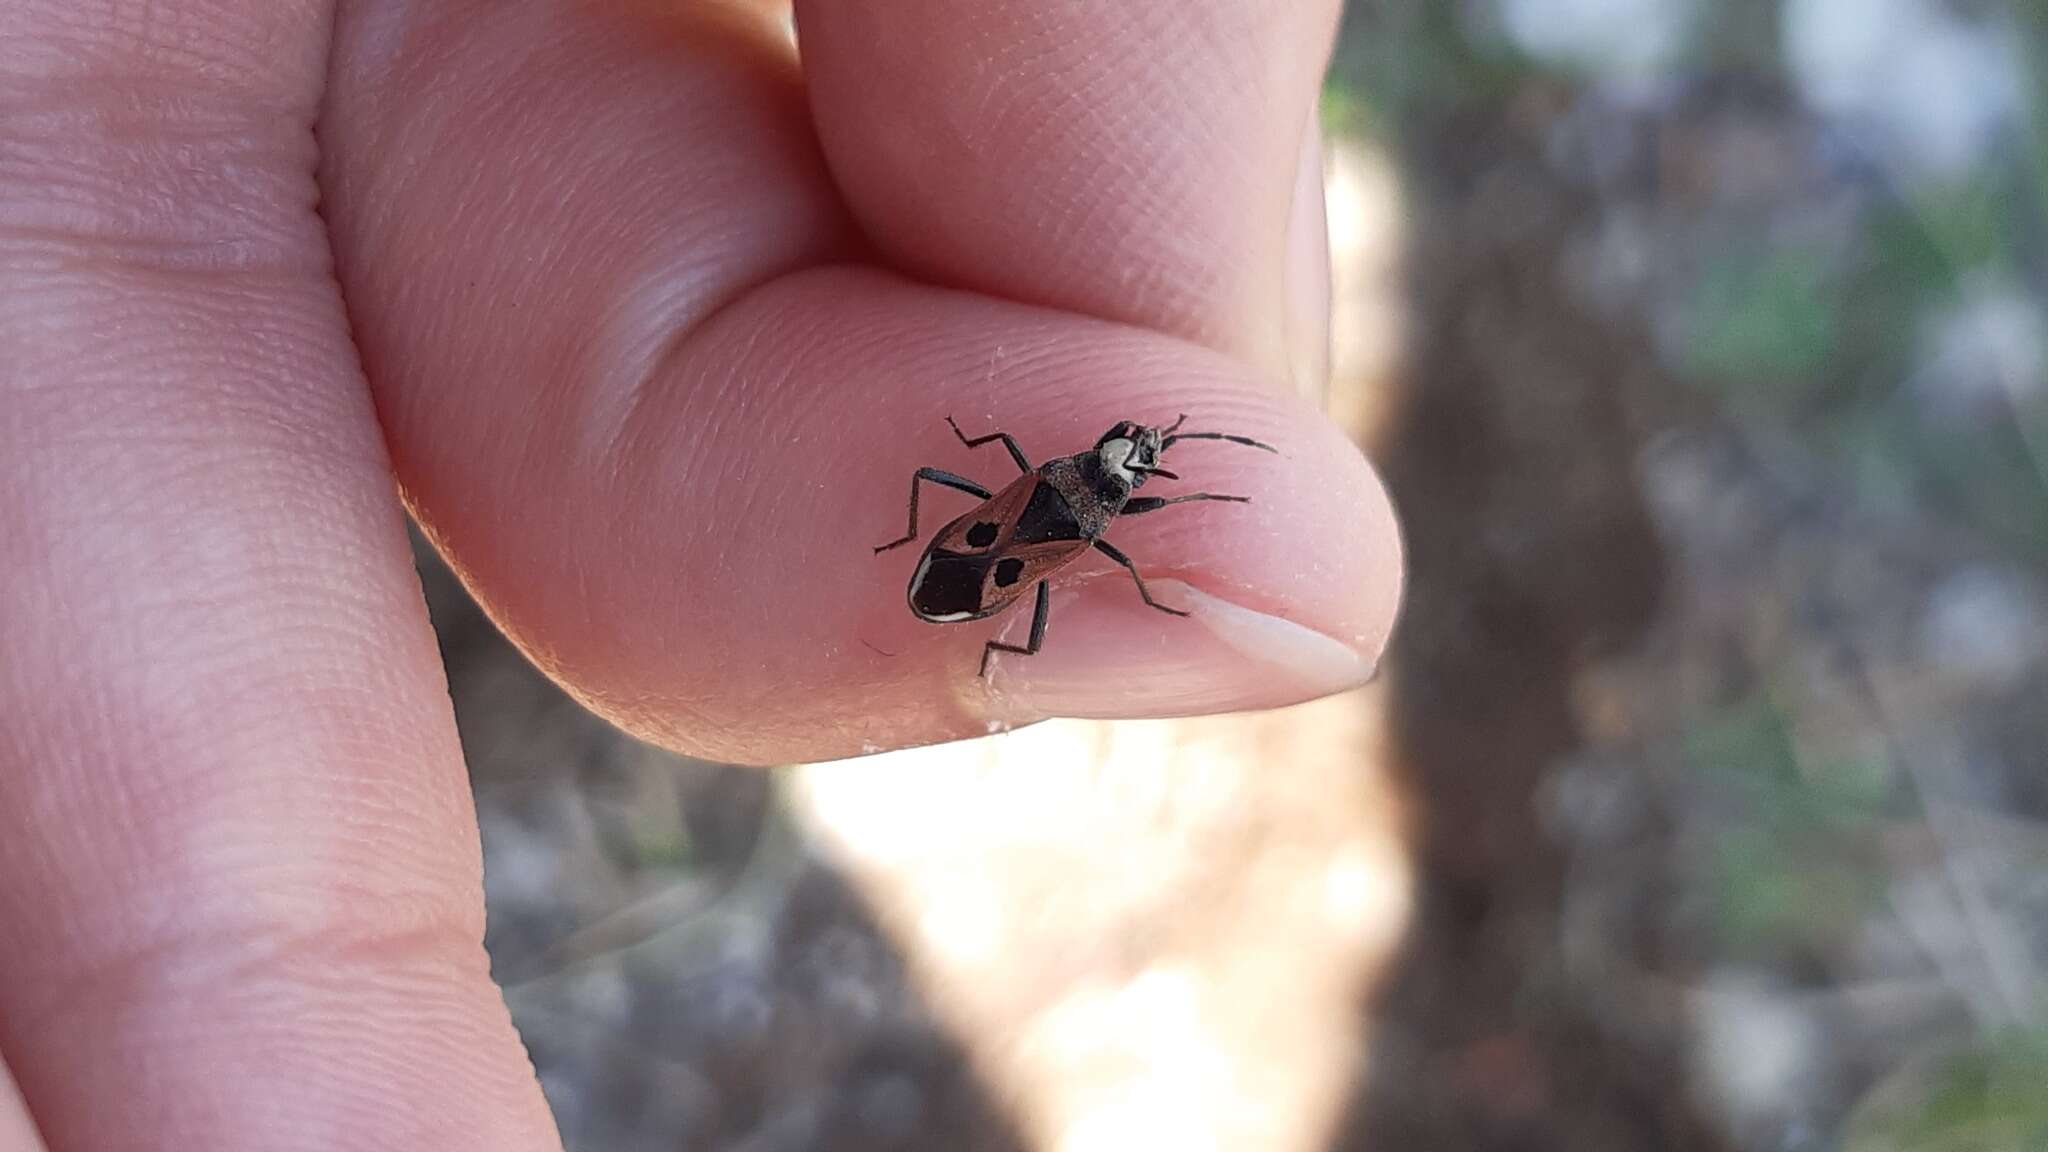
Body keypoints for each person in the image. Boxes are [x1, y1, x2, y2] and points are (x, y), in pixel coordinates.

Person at [0, 0, 1402, 1146]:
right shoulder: (1077, 514)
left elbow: (1005, 481)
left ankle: (981, 630)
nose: (1132, 454)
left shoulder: (1059, 497)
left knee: (989, 543)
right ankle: (986, 637)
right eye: (1135, 452)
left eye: (1139, 457)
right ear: (1111, 468)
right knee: (1016, 565)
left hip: (976, 541)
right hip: (977, 552)